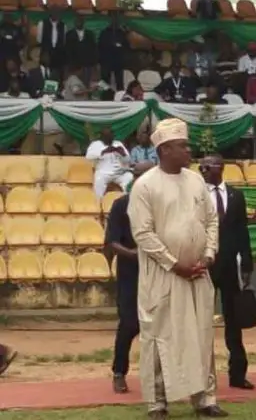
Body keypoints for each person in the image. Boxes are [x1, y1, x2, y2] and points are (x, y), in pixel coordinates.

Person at [128, 118, 227, 419]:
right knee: (159, 337)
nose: (189, 150)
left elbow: (211, 220)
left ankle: (205, 399)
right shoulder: (145, 185)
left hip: (198, 272)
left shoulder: (196, 181)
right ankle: (157, 402)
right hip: (163, 276)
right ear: (164, 150)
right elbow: (143, 233)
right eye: (182, 146)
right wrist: (174, 264)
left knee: (202, 336)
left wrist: (208, 255)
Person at [200, 154, 255, 390]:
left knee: (234, 322)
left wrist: (247, 264)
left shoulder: (236, 196)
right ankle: (202, 376)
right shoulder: (197, 196)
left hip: (231, 266)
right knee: (202, 322)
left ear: (220, 168)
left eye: (207, 167)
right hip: (205, 265)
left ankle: (238, 374)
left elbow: (242, 231)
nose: (203, 171)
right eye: (201, 167)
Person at [107, 162, 154, 394]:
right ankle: (119, 372)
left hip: (158, 271)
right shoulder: (121, 205)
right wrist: (135, 254)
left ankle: (161, 375)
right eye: (138, 176)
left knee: (161, 327)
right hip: (130, 274)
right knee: (129, 324)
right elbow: (112, 242)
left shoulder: (160, 204)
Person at [85, 127, 133, 199]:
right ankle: (98, 201)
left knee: (129, 176)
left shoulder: (118, 143)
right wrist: (103, 151)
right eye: (107, 135)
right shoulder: (96, 144)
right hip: (103, 173)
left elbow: (128, 160)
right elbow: (88, 156)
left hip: (119, 173)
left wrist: (123, 154)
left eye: (111, 135)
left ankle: (127, 200)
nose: (109, 137)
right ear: (101, 136)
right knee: (99, 179)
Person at [65, 14, 97, 86]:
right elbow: (67, 50)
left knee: (86, 85)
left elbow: (93, 49)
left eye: (80, 21)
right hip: (74, 65)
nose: (79, 22)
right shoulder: (69, 34)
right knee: (75, 84)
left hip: (87, 64)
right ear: (74, 22)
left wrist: (94, 64)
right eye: (77, 21)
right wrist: (69, 64)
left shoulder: (90, 34)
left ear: (83, 22)